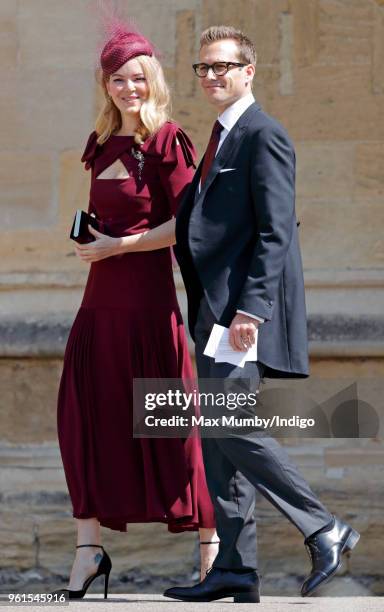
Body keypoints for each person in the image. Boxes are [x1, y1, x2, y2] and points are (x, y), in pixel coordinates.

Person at [161, 26, 360, 603]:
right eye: (203, 68)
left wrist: (252, 309)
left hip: (241, 314)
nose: (213, 76)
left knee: (235, 427)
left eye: (224, 66)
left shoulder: (262, 133)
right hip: (212, 310)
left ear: (249, 72)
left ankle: (324, 527)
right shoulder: (222, 136)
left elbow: (276, 232)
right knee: (219, 443)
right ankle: (234, 568)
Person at [56, 19, 217, 600]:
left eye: (139, 78)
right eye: (119, 80)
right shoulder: (100, 144)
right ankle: (88, 551)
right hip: (98, 307)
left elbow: (188, 225)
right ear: (106, 85)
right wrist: (91, 240)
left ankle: (211, 553)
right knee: (83, 424)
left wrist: (118, 245)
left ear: (154, 79)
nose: (129, 89)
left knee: (176, 429)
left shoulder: (169, 140)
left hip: (150, 309)